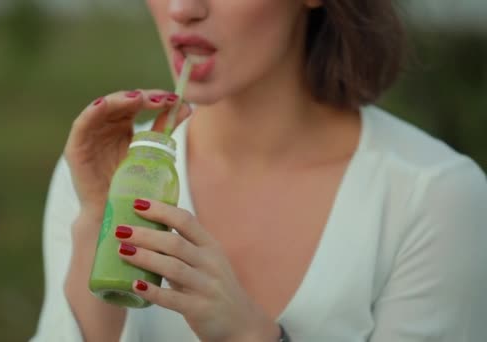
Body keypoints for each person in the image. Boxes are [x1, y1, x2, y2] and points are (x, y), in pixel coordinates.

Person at [31, 1, 487, 341]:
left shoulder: (434, 198)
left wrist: (249, 336)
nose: (183, 8)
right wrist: (97, 224)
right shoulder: (106, 172)